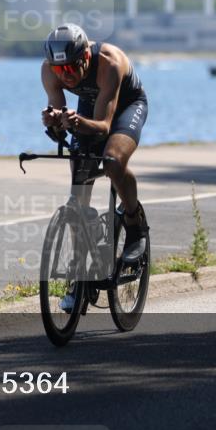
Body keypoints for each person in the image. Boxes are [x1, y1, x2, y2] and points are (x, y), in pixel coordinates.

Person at [40, 24, 148, 311]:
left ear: (86, 56)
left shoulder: (108, 63)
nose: (68, 76)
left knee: (112, 160)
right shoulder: (49, 70)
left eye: (73, 68)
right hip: (91, 104)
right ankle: (79, 275)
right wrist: (54, 123)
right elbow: (59, 108)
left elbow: (103, 126)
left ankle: (135, 223)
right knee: (79, 186)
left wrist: (75, 122)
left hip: (125, 106)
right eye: (60, 72)